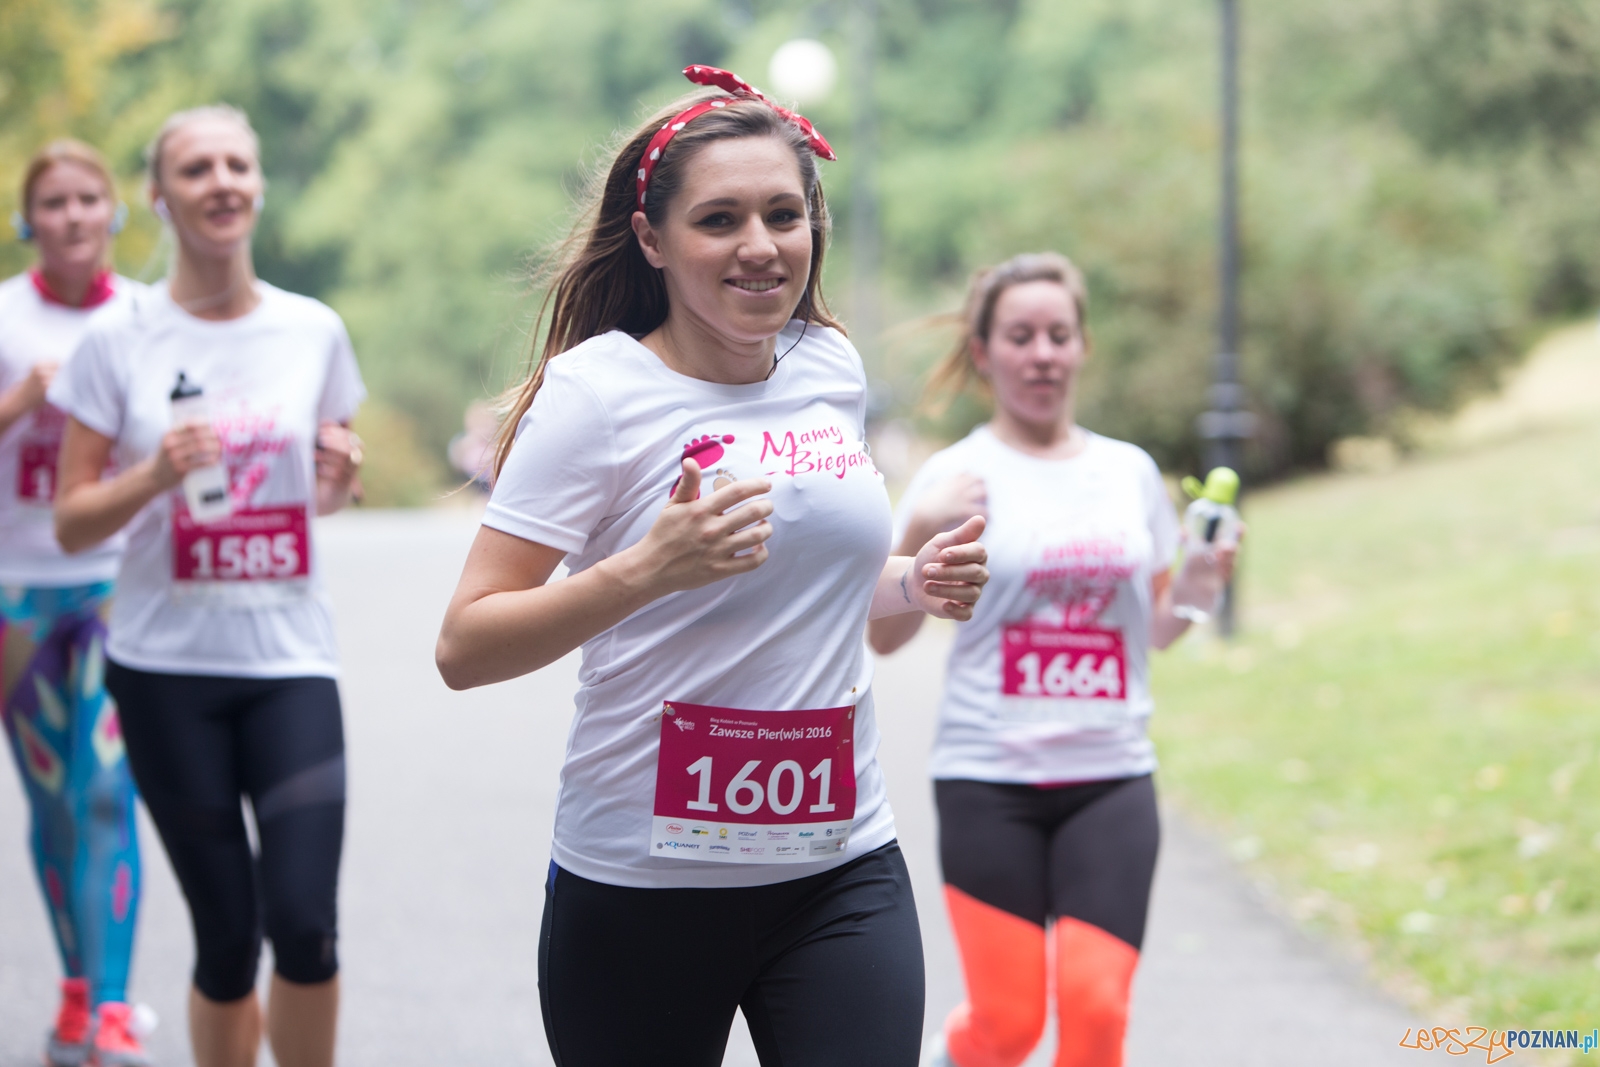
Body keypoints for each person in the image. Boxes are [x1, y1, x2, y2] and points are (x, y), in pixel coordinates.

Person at [435, 65, 990, 1067]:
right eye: (719, 219)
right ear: (652, 239)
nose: (759, 246)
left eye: (784, 214)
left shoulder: (830, 365)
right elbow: (465, 643)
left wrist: (910, 579)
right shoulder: (597, 394)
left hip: (838, 860)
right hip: (640, 883)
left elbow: (805, 583)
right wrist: (645, 568)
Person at [50, 105, 365, 1067]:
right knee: (228, 939)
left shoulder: (312, 330)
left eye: (238, 163)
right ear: (160, 196)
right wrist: (151, 475)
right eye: (196, 169)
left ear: (259, 186)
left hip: (289, 661)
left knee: (306, 924)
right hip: (163, 671)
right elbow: (70, 522)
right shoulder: (119, 338)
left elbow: (318, 493)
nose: (222, 181)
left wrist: (336, 484)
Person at [868, 253, 1238, 1067]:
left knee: (1097, 1011)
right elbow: (884, 635)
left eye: (1058, 334)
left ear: (1081, 347)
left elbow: (1152, 630)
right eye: (1021, 335)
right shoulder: (952, 477)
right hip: (987, 779)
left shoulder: (1127, 471)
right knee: (1009, 1026)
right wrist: (916, 527)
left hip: (1109, 777)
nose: (1042, 352)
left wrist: (1203, 581)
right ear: (984, 351)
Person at [0, 139, 147, 1067]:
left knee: (103, 791)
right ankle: (76, 988)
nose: (72, 216)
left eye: (88, 198)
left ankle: (117, 1009)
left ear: (114, 212)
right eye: (53, 202)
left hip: (115, 586)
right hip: (16, 593)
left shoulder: (144, 317)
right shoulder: (5, 315)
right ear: (29, 220)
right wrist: (24, 400)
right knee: (52, 803)